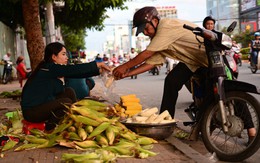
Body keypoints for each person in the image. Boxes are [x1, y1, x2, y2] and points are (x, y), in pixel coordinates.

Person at [113, 6, 208, 119]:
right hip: (192, 61)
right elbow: (151, 63)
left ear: (155, 21)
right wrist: (127, 73)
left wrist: (124, 66)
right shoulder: (159, 39)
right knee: (171, 81)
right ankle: (165, 120)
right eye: (142, 31)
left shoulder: (165, 27)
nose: (145, 32)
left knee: (211, 94)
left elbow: (147, 53)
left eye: (146, 28)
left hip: (207, 56)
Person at [21, 42, 110, 130]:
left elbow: (76, 74)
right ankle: (50, 128)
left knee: (69, 91)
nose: (66, 57)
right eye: (63, 54)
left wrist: (98, 71)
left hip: (42, 103)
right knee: (66, 102)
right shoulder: (49, 68)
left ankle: (77, 117)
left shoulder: (50, 68)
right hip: (32, 112)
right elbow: (73, 70)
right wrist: (97, 64)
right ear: (54, 57)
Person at [203, 15, 256, 143]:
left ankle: (251, 131)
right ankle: (204, 128)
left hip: (223, 68)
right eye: (208, 24)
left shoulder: (219, 35)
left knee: (238, 97)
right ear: (204, 25)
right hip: (210, 69)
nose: (210, 26)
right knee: (209, 98)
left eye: (212, 24)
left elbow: (227, 46)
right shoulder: (201, 36)